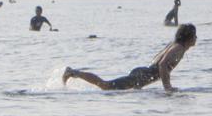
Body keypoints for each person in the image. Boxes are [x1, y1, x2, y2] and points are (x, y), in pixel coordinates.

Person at [63, 24, 197, 92]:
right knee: (106, 85)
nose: (196, 38)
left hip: (143, 75)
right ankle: (73, 72)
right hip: (142, 76)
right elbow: (162, 65)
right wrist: (168, 88)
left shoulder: (176, 46)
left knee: (109, 87)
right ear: (189, 37)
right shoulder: (178, 48)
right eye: (194, 35)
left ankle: (74, 72)